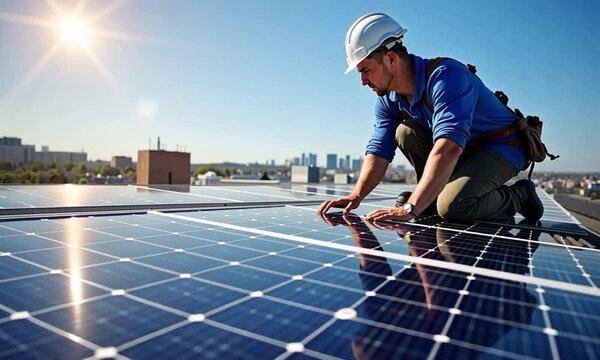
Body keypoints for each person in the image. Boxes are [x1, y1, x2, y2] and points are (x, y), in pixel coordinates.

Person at [317, 12, 544, 223]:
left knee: (454, 207)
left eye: (365, 70)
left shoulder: (446, 78)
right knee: (405, 132)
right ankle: (431, 197)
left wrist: (410, 208)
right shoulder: (389, 98)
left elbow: (449, 147)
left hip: (500, 146)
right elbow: (379, 150)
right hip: (464, 152)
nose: (363, 81)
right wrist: (355, 197)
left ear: (390, 59)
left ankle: (520, 194)